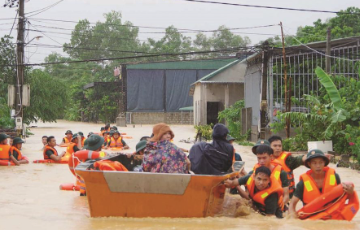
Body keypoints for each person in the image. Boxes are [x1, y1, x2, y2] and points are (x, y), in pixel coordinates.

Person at [289, 149, 355, 218]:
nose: (318, 166)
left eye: (320, 162)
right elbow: (292, 205)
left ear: (324, 163)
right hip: (312, 220)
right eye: (314, 163)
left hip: (332, 217)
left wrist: (351, 192)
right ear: (309, 164)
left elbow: (342, 198)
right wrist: (293, 220)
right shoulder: (302, 184)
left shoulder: (335, 177)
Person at [225, 145, 290, 204]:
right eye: (259, 158)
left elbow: (286, 196)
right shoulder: (253, 173)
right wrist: (234, 182)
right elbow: (247, 197)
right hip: (258, 205)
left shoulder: (281, 173)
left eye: (264, 158)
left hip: (274, 206)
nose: (261, 161)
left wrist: (280, 206)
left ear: (271, 157)